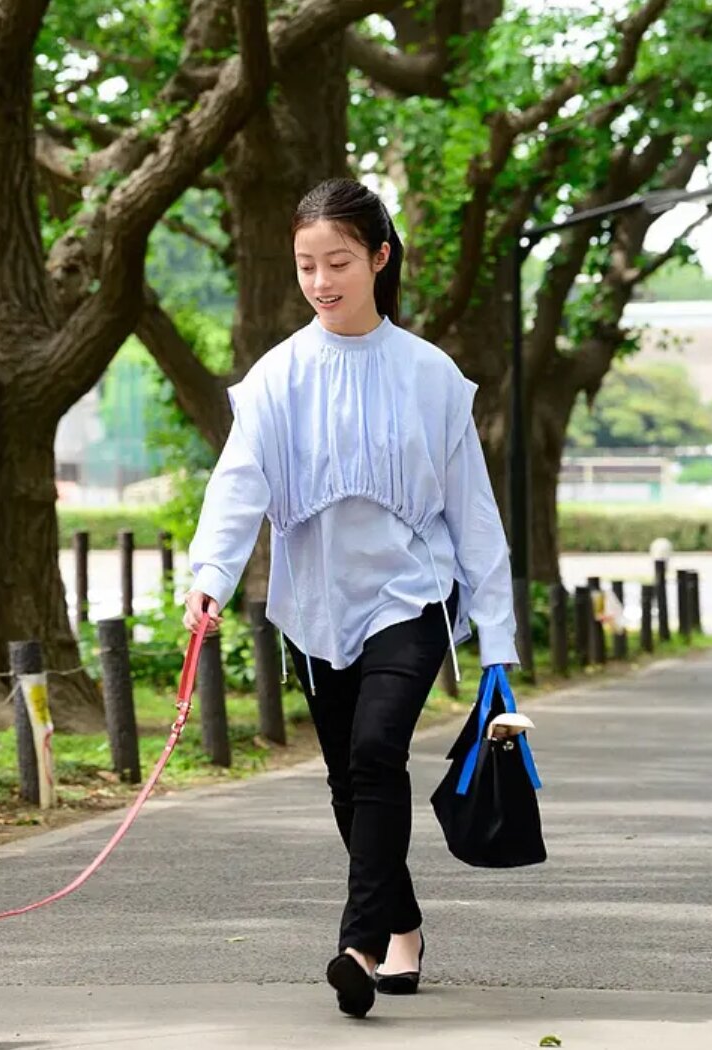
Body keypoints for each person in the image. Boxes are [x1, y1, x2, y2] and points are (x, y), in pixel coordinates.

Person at [181, 178, 518, 1018]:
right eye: (305, 265)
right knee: (345, 776)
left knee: (374, 753)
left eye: (337, 261)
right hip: (315, 604)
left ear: (378, 257)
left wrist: (499, 644)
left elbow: (471, 512)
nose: (321, 280)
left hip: (410, 594)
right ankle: (401, 926)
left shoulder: (430, 375)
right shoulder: (276, 376)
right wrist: (210, 577)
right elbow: (237, 485)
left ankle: (358, 944)